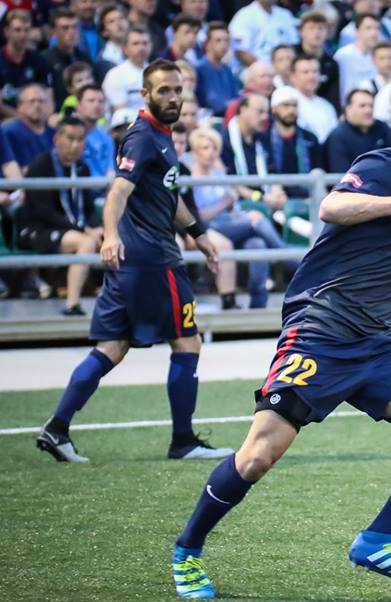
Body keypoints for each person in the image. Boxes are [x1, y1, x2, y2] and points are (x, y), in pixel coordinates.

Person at [170, 80, 391, 597]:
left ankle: (378, 539)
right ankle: (188, 552)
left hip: (375, 342)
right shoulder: (381, 168)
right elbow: (334, 207)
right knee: (258, 455)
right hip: (320, 332)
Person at [35, 59, 231, 463]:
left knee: (112, 346)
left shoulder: (160, 137)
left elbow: (167, 195)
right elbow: (118, 193)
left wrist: (198, 234)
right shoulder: (142, 137)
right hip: (153, 261)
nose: (173, 97)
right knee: (187, 341)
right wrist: (109, 236)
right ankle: (183, 441)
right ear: (145, 95)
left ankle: (56, 429)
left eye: (178, 90)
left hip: (135, 261)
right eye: (164, 91)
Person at [190, 126, 288, 308]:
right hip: (211, 226)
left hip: (232, 222)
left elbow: (233, 205)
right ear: (195, 151)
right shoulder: (191, 177)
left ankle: (258, 303)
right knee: (255, 220)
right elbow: (201, 216)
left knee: (257, 244)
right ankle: (288, 256)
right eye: (205, 148)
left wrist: (237, 210)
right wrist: (224, 203)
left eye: (213, 148)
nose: (210, 152)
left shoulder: (219, 173)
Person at [18, 117, 101, 315]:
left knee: (111, 238)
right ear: (57, 139)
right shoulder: (41, 165)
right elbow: (43, 213)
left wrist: (96, 228)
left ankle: (114, 303)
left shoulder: (82, 168)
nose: (75, 145)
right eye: (70, 138)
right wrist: (84, 230)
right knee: (86, 243)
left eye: (80, 139)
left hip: (73, 228)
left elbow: (89, 208)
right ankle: (72, 305)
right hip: (38, 230)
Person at [170, 122, 239, 311]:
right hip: (163, 227)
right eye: (173, 142)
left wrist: (197, 233)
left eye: (182, 143)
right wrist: (187, 235)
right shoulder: (154, 167)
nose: (177, 147)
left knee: (224, 245)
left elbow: (190, 207)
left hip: (188, 226)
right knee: (176, 245)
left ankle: (228, 300)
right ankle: (177, 302)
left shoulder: (184, 170)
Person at [222, 93, 287, 211]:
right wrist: (262, 198)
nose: (265, 117)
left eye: (267, 113)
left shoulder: (264, 138)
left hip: (267, 198)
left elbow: (273, 171)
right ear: (243, 110)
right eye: (260, 112)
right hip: (241, 202)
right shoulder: (224, 139)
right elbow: (230, 182)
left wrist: (277, 193)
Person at [324, 88, 391, 173]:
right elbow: (341, 175)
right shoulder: (338, 137)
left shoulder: (383, 129)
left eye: (371, 106)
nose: (368, 110)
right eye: (362, 106)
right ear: (348, 109)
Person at [269, 86, 324, 196]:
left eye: (295, 105)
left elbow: (318, 171)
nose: (291, 110)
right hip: (277, 198)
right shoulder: (264, 139)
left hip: (307, 197)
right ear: (274, 109)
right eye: (286, 105)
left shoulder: (310, 138)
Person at [0, 11, 52, 118]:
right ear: (7, 32)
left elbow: (48, 96)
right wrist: (23, 121)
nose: (23, 35)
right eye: (18, 30)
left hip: (35, 118)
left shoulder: (39, 60)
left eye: (26, 30)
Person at [42, 9, 93, 109]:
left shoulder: (85, 58)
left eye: (75, 27)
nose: (71, 32)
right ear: (53, 31)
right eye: (65, 28)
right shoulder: (43, 60)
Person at [1, 84, 56, 171]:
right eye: (32, 101)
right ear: (19, 106)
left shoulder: (55, 134)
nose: (37, 105)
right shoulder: (8, 133)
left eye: (41, 101)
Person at [228, 0, 298, 66]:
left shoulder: (285, 14)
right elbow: (240, 52)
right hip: (252, 68)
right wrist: (266, 68)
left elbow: (292, 45)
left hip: (283, 67)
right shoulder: (244, 16)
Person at [289, 54, 339, 143]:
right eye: (305, 72)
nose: (311, 76)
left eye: (315, 71)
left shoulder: (327, 106)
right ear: (293, 76)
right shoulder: (287, 103)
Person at [195, 21, 241, 117]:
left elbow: (236, 97)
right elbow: (210, 102)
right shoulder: (199, 69)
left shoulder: (227, 70)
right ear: (207, 44)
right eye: (218, 40)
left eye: (226, 40)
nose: (223, 44)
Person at [334, 13, 381, 105]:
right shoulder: (343, 55)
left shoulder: (378, 56)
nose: (374, 33)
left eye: (377, 28)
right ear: (357, 31)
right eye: (368, 28)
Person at [102, 27, 152, 111]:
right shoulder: (115, 75)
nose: (141, 48)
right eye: (136, 43)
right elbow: (121, 111)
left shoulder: (158, 72)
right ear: (125, 49)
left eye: (145, 43)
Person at [74, 84, 115, 178]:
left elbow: (110, 171)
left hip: (101, 189)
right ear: (78, 105)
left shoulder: (106, 138)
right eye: (91, 101)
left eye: (101, 101)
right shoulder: (66, 133)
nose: (97, 105)